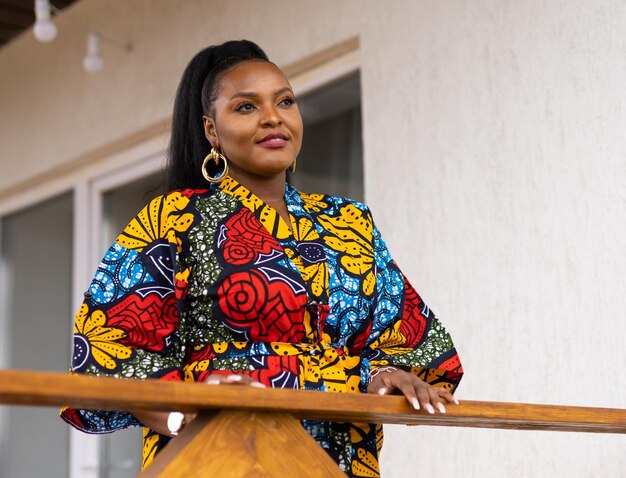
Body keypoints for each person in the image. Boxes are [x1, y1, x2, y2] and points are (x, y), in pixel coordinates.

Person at [61, 40, 463, 477]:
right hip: (215, 456)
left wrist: (382, 375)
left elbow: (413, 344)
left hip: (336, 460)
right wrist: (186, 413)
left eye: (285, 101)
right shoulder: (174, 217)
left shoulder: (351, 221)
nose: (273, 116)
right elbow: (110, 350)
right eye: (246, 107)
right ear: (212, 131)